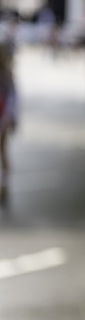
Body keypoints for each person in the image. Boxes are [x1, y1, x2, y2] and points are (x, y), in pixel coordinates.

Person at [0, 44, 16, 206]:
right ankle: (4, 184)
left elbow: (13, 99)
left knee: (3, 151)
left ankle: (4, 185)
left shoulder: (7, 76)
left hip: (3, 119)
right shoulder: (7, 75)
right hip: (4, 118)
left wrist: (8, 118)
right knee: (3, 152)